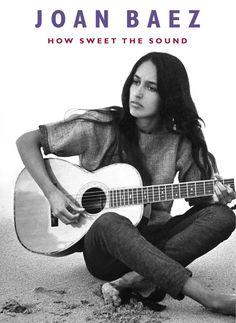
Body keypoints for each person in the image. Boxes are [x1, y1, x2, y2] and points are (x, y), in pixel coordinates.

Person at [16, 52, 236, 316]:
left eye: (151, 87)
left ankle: (134, 278)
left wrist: (216, 196)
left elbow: (200, 199)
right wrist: (52, 194)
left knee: (222, 216)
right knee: (109, 220)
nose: (138, 93)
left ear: (170, 96)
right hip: (105, 250)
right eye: (136, 81)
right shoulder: (102, 126)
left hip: (155, 242)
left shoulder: (181, 141)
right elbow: (27, 141)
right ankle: (209, 298)